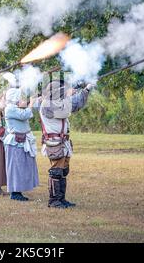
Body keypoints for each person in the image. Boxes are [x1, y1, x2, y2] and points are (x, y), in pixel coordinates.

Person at [39, 80, 94, 208]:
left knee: (63, 171)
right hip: (55, 142)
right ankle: (54, 201)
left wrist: (84, 90)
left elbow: (75, 104)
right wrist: (79, 91)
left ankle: (61, 199)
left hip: (63, 142)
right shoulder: (47, 104)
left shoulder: (58, 102)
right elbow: (65, 110)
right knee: (56, 171)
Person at [3, 88, 39, 201]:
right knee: (16, 168)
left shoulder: (14, 108)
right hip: (15, 142)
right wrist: (32, 103)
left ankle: (18, 191)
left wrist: (33, 101)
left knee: (22, 167)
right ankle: (15, 193)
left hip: (21, 141)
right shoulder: (10, 109)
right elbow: (25, 115)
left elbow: (24, 111)